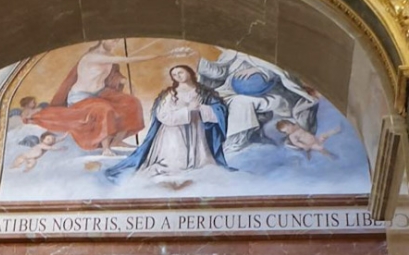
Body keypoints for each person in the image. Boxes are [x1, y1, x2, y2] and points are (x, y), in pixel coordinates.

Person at [31, 39, 190, 155]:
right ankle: (106, 148)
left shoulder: (107, 57)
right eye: (113, 41)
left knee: (131, 103)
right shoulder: (92, 56)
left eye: (116, 42)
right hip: (81, 97)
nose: (115, 44)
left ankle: (117, 140)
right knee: (104, 109)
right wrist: (164, 55)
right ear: (101, 39)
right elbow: (128, 60)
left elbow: (110, 75)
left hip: (101, 93)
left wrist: (121, 79)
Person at [106, 64, 229, 181]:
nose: (178, 76)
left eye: (180, 72)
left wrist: (201, 109)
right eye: (174, 75)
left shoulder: (204, 93)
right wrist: (187, 111)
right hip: (173, 133)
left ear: (190, 73)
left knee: (204, 166)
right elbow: (162, 115)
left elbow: (219, 112)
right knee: (174, 165)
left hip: (197, 132)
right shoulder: (170, 94)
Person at [197, 49, 318, 153]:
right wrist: (201, 63)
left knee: (241, 103)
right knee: (216, 102)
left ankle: (237, 141)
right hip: (231, 91)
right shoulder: (232, 54)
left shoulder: (263, 52)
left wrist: (259, 70)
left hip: (270, 94)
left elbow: (279, 71)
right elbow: (220, 73)